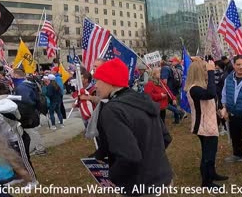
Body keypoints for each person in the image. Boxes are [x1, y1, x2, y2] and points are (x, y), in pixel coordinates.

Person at [92, 58, 173, 195]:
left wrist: (110, 177)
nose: (96, 86)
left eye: (98, 80)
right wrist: (99, 154)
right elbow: (165, 138)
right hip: (162, 178)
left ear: (110, 81)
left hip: (139, 187)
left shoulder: (112, 110)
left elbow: (129, 157)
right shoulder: (142, 99)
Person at [185, 58, 228, 188]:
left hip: (209, 124)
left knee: (211, 152)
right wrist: (211, 72)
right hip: (203, 126)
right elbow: (210, 94)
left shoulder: (202, 86)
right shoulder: (194, 89)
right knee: (207, 155)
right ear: (198, 72)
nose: (207, 72)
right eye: (204, 70)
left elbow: (213, 96)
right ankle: (206, 182)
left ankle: (212, 173)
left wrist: (220, 108)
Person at [161, 57, 185, 124]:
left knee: (165, 104)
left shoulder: (165, 69)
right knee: (173, 104)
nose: (171, 62)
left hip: (168, 89)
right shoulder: (171, 68)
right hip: (174, 89)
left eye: (171, 61)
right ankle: (177, 120)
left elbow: (164, 81)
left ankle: (180, 113)